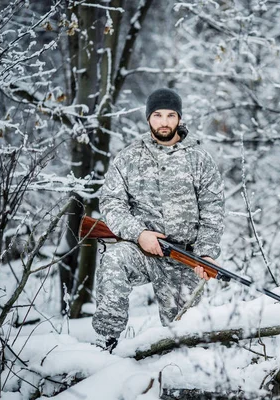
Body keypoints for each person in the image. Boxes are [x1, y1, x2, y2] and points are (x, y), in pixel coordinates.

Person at [92, 88, 225, 352]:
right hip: (142, 251)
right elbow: (111, 201)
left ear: (179, 118)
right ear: (148, 118)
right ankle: (104, 343)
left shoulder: (199, 158)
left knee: (184, 338)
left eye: (170, 115)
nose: (164, 121)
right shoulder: (129, 157)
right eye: (157, 115)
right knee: (114, 259)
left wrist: (206, 254)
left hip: (184, 258)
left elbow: (213, 209)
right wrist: (139, 233)